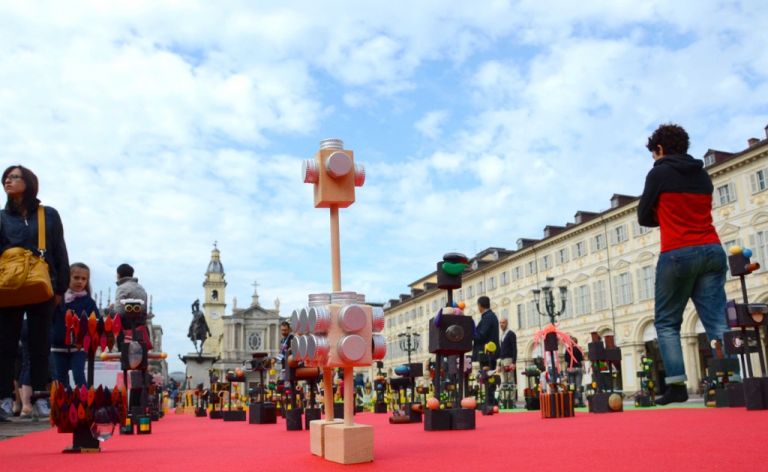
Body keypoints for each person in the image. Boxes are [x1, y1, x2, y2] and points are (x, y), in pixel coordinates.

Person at [637, 123, 728, 405]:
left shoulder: (659, 172)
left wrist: (660, 213)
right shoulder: (702, 175)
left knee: (666, 322)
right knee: (717, 320)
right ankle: (730, 380)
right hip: (712, 249)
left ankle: (676, 384)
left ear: (660, 149)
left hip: (678, 251)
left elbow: (643, 216)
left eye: (654, 152)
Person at [0, 166, 69, 422]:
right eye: (5, 177)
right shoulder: (1, 218)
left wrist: (60, 287)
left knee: (41, 344)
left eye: (14, 176)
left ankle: (41, 398)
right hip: (8, 286)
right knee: (5, 344)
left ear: (29, 183)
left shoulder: (48, 215)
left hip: (42, 285)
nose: (7, 180)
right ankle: (4, 400)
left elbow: (59, 250)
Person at [50, 262, 100, 389]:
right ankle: (62, 406)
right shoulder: (58, 298)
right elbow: (49, 318)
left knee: (79, 375)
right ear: (68, 277)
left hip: (79, 347)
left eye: (84, 279)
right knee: (60, 379)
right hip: (58, 346)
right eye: (76, 278)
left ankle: (83, 404)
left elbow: (97, 322)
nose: (80, 282)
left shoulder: (89, 302)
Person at [473, 296, 499, 406]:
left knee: (488, 376)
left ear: (480, 306)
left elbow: (482, 335)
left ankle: (490, 402)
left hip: (487, 353)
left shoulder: (488, 317)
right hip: (488, 352)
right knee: (488, 376)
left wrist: (472, 332)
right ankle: (490, 401)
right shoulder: (490, 316)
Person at [564, 336, 584, 407]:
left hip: (570, 369)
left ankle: (572, 401)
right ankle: (579, 401)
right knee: (578, 386)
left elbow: (566, 363)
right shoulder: (579, 349)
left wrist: (566, 372)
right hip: (578, 368)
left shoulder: (567, 350)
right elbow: (582, 360)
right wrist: (583, 368)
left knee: (572, 386)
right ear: (576, 342)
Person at [498, 317, 517, 386]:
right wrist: (499, 364)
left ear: (507, 323)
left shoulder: (511, 334)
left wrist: (513, 362)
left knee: (510, 379)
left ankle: (511, 397)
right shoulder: (502, 335)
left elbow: (514, 348)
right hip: (502, 360)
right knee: (504, 380)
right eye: (500, 323)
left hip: (509, 359)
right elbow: (501, 349)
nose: (501, 324)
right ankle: (506, 396)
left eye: (503, 323)